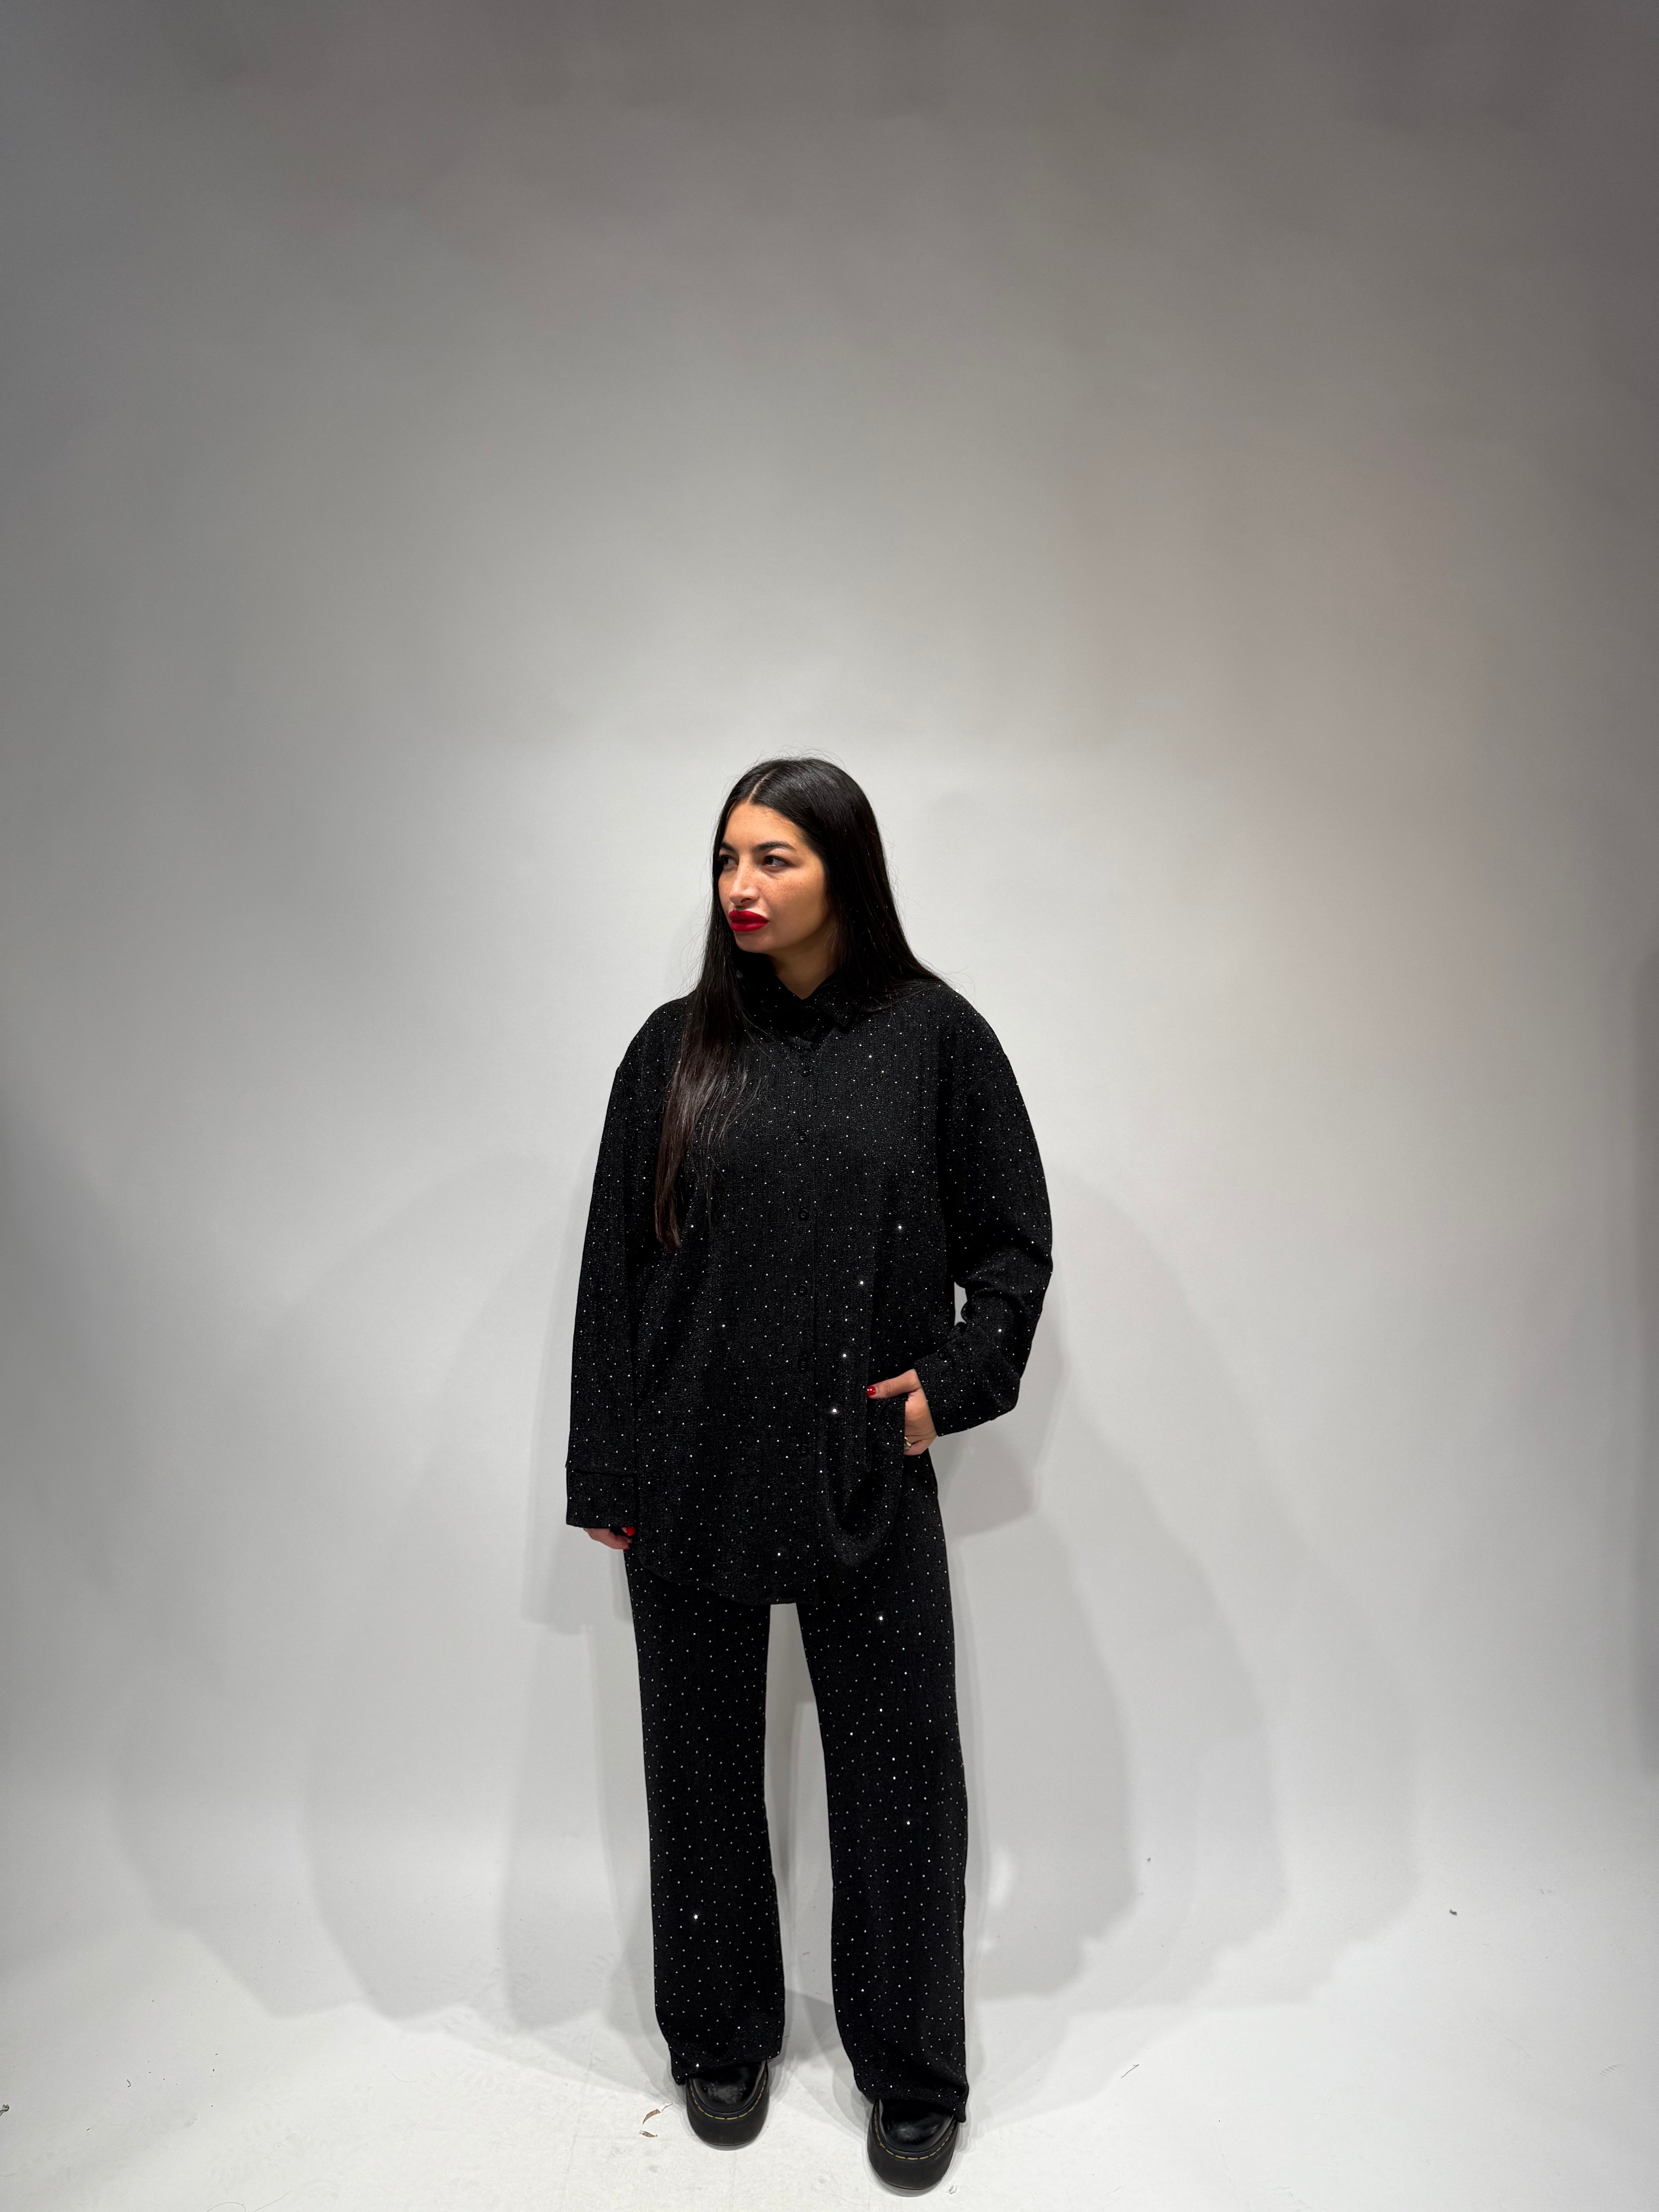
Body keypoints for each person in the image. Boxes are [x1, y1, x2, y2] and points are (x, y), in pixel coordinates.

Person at [564, 756, 1052, 2191]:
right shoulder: (671, 1051)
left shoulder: (935, 1041)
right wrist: (608, 1469)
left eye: (773, 858)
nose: (740, 887)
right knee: (699, 1765)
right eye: (726, 859)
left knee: (901, 1779)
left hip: (862, 1467)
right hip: (691, 1467)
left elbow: (1011, 1248)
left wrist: (950, 1388)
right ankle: (719, 2034)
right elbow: (613, 1270)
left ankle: (911, 2067)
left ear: (845, 870)